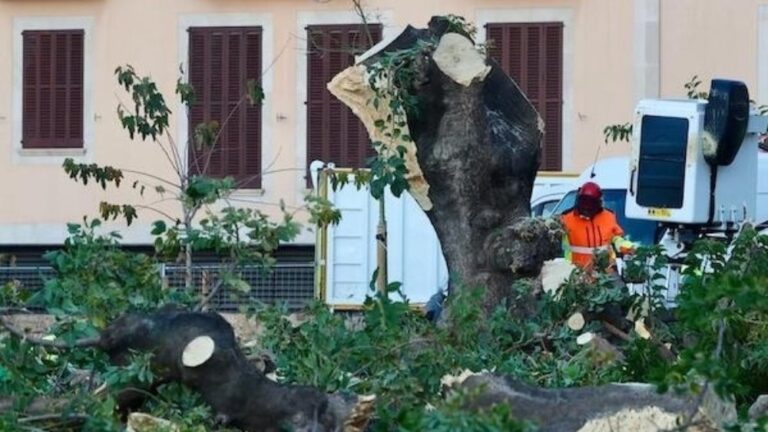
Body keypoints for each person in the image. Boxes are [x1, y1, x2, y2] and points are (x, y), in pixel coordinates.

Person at [560, 181, 635, 271]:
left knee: (619, 285)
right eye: (584, 202)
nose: (587, 207)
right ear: (578, 200)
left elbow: (616, 238)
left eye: (590, 204)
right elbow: (557, 243)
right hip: (577, 272)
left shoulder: (608, 216)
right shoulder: (565, 219)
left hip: (606, 271)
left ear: (598, 204)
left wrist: (627, 247)